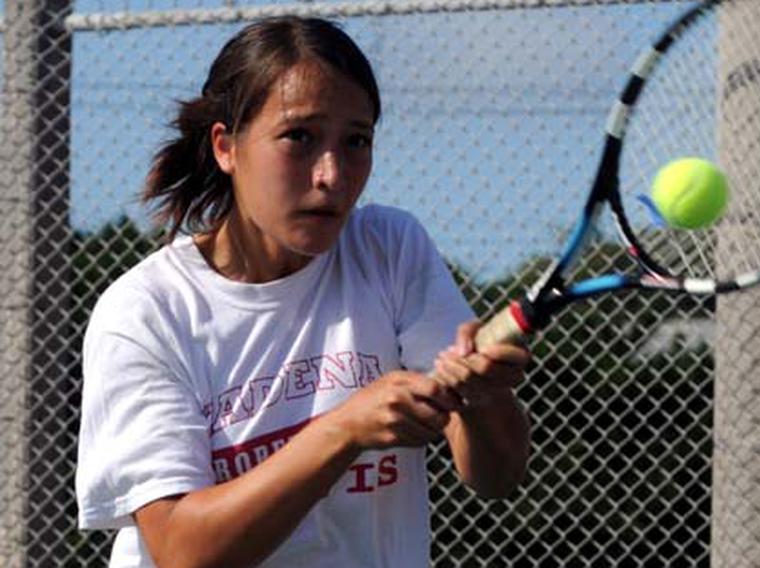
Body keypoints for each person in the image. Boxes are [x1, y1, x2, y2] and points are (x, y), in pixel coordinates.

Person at [76, 16, 531, 568]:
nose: (332, 174)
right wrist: (342, 430)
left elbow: (497, 477)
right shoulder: (145, 311)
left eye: (356, 141)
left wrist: (482, 399)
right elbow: (183, 550)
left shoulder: (390, 246)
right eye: (299, 137)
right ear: (226, 146)